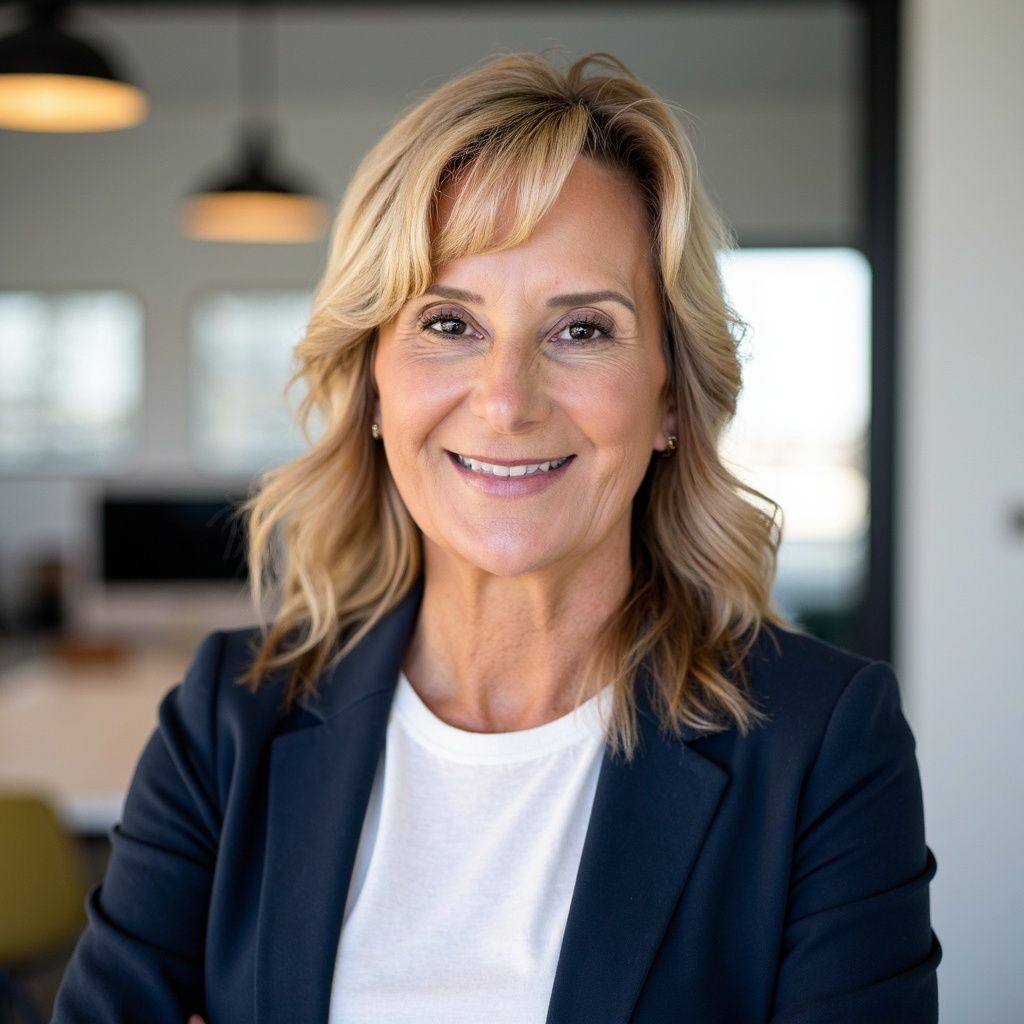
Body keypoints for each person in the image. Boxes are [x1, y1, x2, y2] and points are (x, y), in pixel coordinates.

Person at [52, 52, 940, 1023]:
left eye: (582, 330)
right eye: (448, 323)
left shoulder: (822, 743)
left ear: (670, 399)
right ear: (373, 383)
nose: (507, 401)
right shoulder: (228, 716)